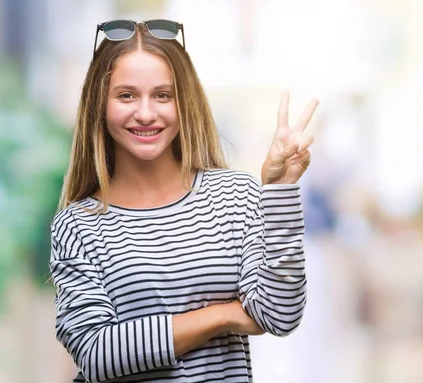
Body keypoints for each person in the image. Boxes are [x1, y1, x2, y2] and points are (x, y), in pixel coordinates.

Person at [49, 19, 319, 383]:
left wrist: (280, 190)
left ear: (184, 101)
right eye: (126, 95)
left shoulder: (235, 197)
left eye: (163, 95)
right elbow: (97, 353)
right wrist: (222, 315)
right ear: (100, 104)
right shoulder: (78, 225)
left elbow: (280, 315)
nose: (146, 113)